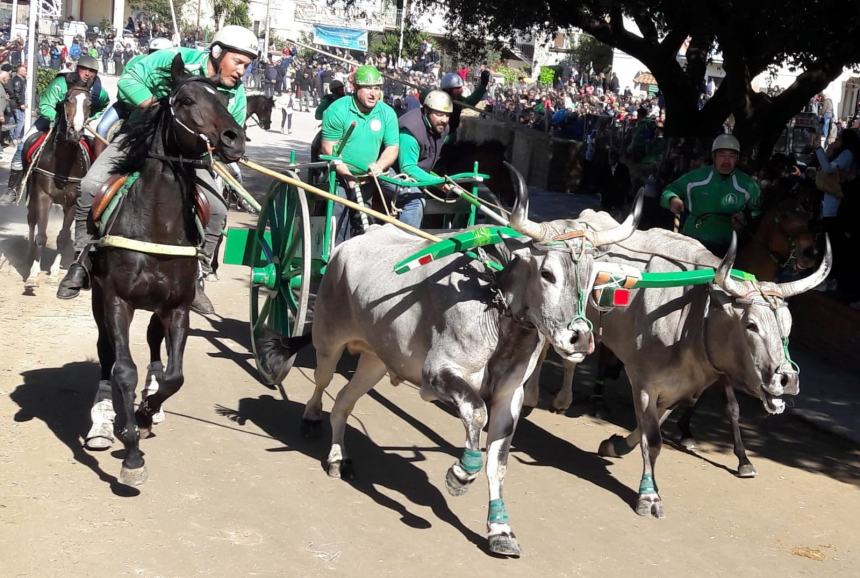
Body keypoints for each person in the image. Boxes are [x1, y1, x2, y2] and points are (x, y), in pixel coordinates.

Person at [57, 25, 259, 316]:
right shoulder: (173, 58)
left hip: (191, 156)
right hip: (139, 136)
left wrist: (225, 148)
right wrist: (150, 103)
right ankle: (81, 261)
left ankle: (199, 276)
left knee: (217, 210)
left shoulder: (236, 94)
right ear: (217, 52)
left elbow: (230, 131)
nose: (242, 71)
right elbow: (130, 78)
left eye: (247, 66)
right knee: (90, 186)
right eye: (238, 62)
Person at [5, 55, 109, 199]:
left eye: (92, 71)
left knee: (94, 149)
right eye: (84, 69)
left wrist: (88, 118)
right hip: (51, 119)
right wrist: (60, 119)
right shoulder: (60, 83)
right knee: (23, 144)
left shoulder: (99, 92)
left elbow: (104, 105)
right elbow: (45, 104)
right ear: (77, 69)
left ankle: (90, 188)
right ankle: (13, 188)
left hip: (78, 125)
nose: (87, 73)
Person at [320, 64, 399, 241]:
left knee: (364, 222)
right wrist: (346, 174)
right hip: (339, 176)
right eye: (367, 88)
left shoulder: (387, 113)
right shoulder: (338, 109)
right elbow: (328, 147)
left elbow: (392, 148)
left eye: (377, 88)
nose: (373, 94)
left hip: (370, 177)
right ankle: (333, 256)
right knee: (337, 219)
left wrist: (379, 165)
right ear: (355, 88)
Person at [661, 133, 762, 256]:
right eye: (722, 155)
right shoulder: (696, 178)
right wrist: (672, 199)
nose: (726, 160)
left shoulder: (748, 185)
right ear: (714, 157)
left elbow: (758, 213)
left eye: (731, 156)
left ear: (737, 158)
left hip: (729, 246)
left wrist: (745, 218)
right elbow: (669, 191)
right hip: (693, 240)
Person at [382, 90, 453, 227]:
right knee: (416, 202)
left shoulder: (442, 128)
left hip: (414, 170)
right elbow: (408, 168)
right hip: (390, 170)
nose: (444, 120)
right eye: (439, 114)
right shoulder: (410, 132)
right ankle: (407, 243)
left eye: (447, 115)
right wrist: (436, 181)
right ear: (426, 111)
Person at [434, 70, 489, 141]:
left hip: (451, 135)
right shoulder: (437, 100)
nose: (461, 90)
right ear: (448, 90)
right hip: (440, 137)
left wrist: (483, 85)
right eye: (457, 88)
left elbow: (470, 101)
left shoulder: (458, 100)